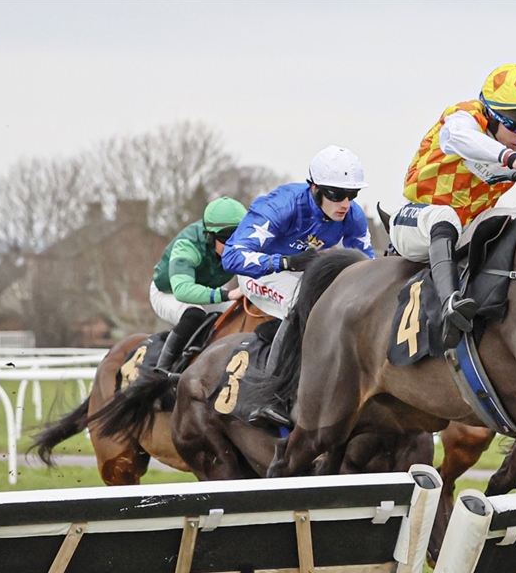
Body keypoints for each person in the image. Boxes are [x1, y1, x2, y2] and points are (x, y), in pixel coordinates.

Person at [389, 63, 516, 349]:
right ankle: (451, 305)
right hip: (415, 222)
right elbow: (463, 140)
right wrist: (515, 160)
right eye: (515, 126)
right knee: (444, 215)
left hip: (467, 228)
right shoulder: (461, 120)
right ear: (491, 116)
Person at [222, 145, 376, 426]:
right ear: (314, 187)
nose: (345, 203)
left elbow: (368, 266)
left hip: (301, 272)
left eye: (352, 195)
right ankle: (271, 398)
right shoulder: (282, 205)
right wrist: (284, 262)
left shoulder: (352, 216)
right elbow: (232, 256)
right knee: (303, 304)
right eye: (336, 194)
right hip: (259, 273)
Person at [149, 197, 248, 374]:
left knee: (243, 311)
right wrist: (226, 295)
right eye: (227, 238)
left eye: (239, 236)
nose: (234, 245)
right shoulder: (187, 245)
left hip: (205, 291)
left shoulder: (241, 245)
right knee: (194, 315)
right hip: (168, 291)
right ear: (210, 235)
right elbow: (182, 290)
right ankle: (161, 373)